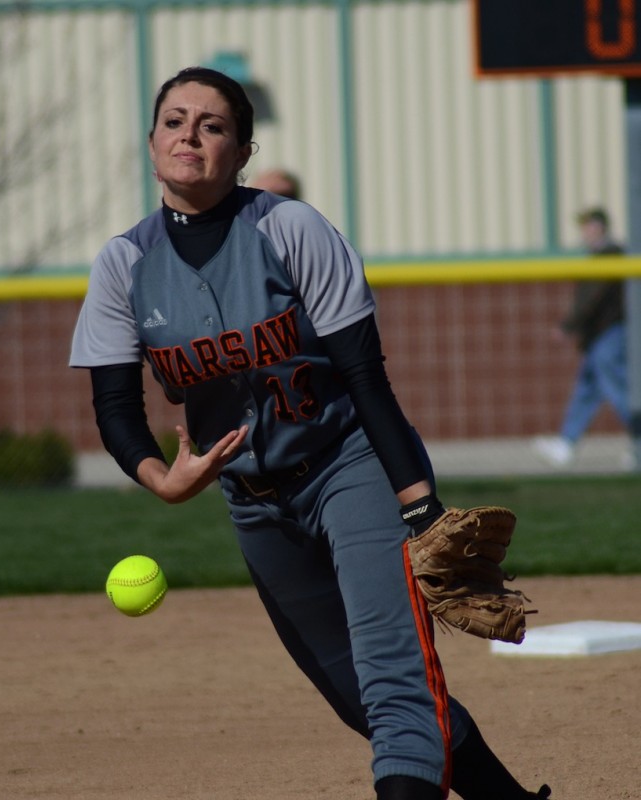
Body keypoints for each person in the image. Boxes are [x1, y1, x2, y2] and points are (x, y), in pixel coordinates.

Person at [70, 66, 552, 800]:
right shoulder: (123, 265)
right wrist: (158, 478)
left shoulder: (288, 229)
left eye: (212, 124)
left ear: (240, 150)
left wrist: (418, 506)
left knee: (395, 685)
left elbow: (366, 378)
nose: (190, 134)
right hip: (253, 504)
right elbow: (114, 407)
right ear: (151, 142)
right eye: (174, 120)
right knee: (355, 696)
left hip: (346, 466)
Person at [534, 207, 630, 468]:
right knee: (586, 390)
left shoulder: (611, 256)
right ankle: (566, 444)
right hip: (599, 336)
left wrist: (569, 325)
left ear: (599, 226)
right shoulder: (598, 256)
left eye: (588, 225)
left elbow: (593, 299)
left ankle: (638, 442)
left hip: (610, 334)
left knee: (620, 390)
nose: (584, 232)